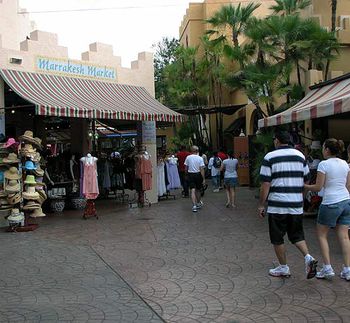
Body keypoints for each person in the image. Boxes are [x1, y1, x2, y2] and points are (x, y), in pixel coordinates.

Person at [259, 130, 317, 279]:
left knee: (277, 237)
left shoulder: (270, 157)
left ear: (277, 141)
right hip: (295, 205)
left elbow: (266, 183)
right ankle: (308, 257)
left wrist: (261, 204)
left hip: (277, 205)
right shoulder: (300, 156)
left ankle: (284, 267)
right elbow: (306, 181)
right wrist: (301, 198)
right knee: (297, 236)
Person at [304, 139, 350, 280]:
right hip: (346, 201)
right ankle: (347, 270)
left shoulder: (323, 164)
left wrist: (305, 186)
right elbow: (348, 186)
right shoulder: (345, 164)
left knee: (322, 235)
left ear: (327, 150)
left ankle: (327, 268)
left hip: (330, 202)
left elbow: (318, 187)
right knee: (344, 236)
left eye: (323, 148)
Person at [184, 145, 205, 213]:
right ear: (197, 151)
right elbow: (202, 169)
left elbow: (186, 168)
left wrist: (186, 174)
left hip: (191, 175)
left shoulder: (188, 157)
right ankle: (198, 203)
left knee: (192, 190)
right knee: (198, 190)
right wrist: (203, 178)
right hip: (198, 174)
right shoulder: (200, 158)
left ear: (191, 151)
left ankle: (194, 206)